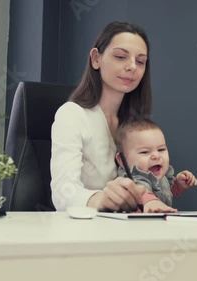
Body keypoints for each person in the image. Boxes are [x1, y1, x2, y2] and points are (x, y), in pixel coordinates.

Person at [50, 21, 152, 212]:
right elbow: (62, 192)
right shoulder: (72, 115)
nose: (132, 67)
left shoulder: (135, 124)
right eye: (121, 57)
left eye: (140, 61)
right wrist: (100, 199)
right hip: (84, 231)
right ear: (96, 59)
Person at [115, 117, 197, 213]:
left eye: (161, 149)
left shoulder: (163, 177)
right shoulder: (132, 178)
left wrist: (177, 185)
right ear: (122, 160)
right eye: (145, 152)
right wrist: (150, 201)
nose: (156, 156)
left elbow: (164, 193)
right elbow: (139, 189)